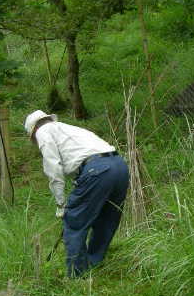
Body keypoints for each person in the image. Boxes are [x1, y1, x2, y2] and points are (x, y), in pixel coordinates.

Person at [24, 110, 129, 277]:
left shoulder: (43, 132)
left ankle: (77, 275)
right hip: (119, 166)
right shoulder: (70, 129)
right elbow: (81, 158)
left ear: (34, 131)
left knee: (74, 223)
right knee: (106, 220)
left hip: (97, 171)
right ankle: (94, 263)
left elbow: (54, 168)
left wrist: (61, 203)